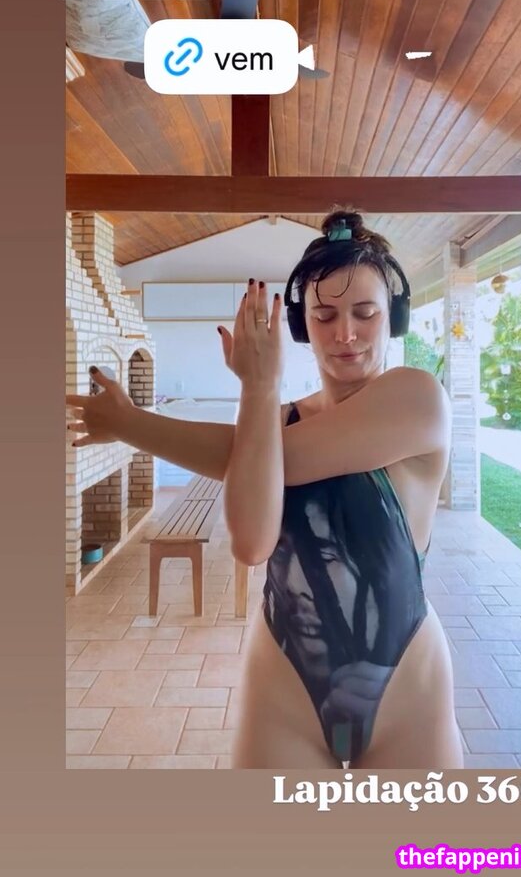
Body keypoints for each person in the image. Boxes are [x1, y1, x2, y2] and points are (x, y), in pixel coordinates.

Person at [67, 209, 463, 769]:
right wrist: (258, 388)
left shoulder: (417, 398)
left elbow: (260, 459)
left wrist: (131, 424)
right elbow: (251, 543)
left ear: (393, 317)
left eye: (365, 312)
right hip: (284, 685)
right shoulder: (270, 423)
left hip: (408, 688)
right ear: (301, 326)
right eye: (324, 316)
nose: (345, 334)